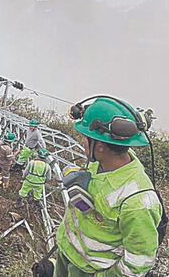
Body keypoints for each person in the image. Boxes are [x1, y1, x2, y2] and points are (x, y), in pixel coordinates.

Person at [56, 97, 163, 276]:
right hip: (66, 252)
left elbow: (138, 262)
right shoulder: (101, 161)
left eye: (84, 138)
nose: (82, 142)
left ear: (99, 146)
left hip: (90, 270)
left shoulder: (137, 201)